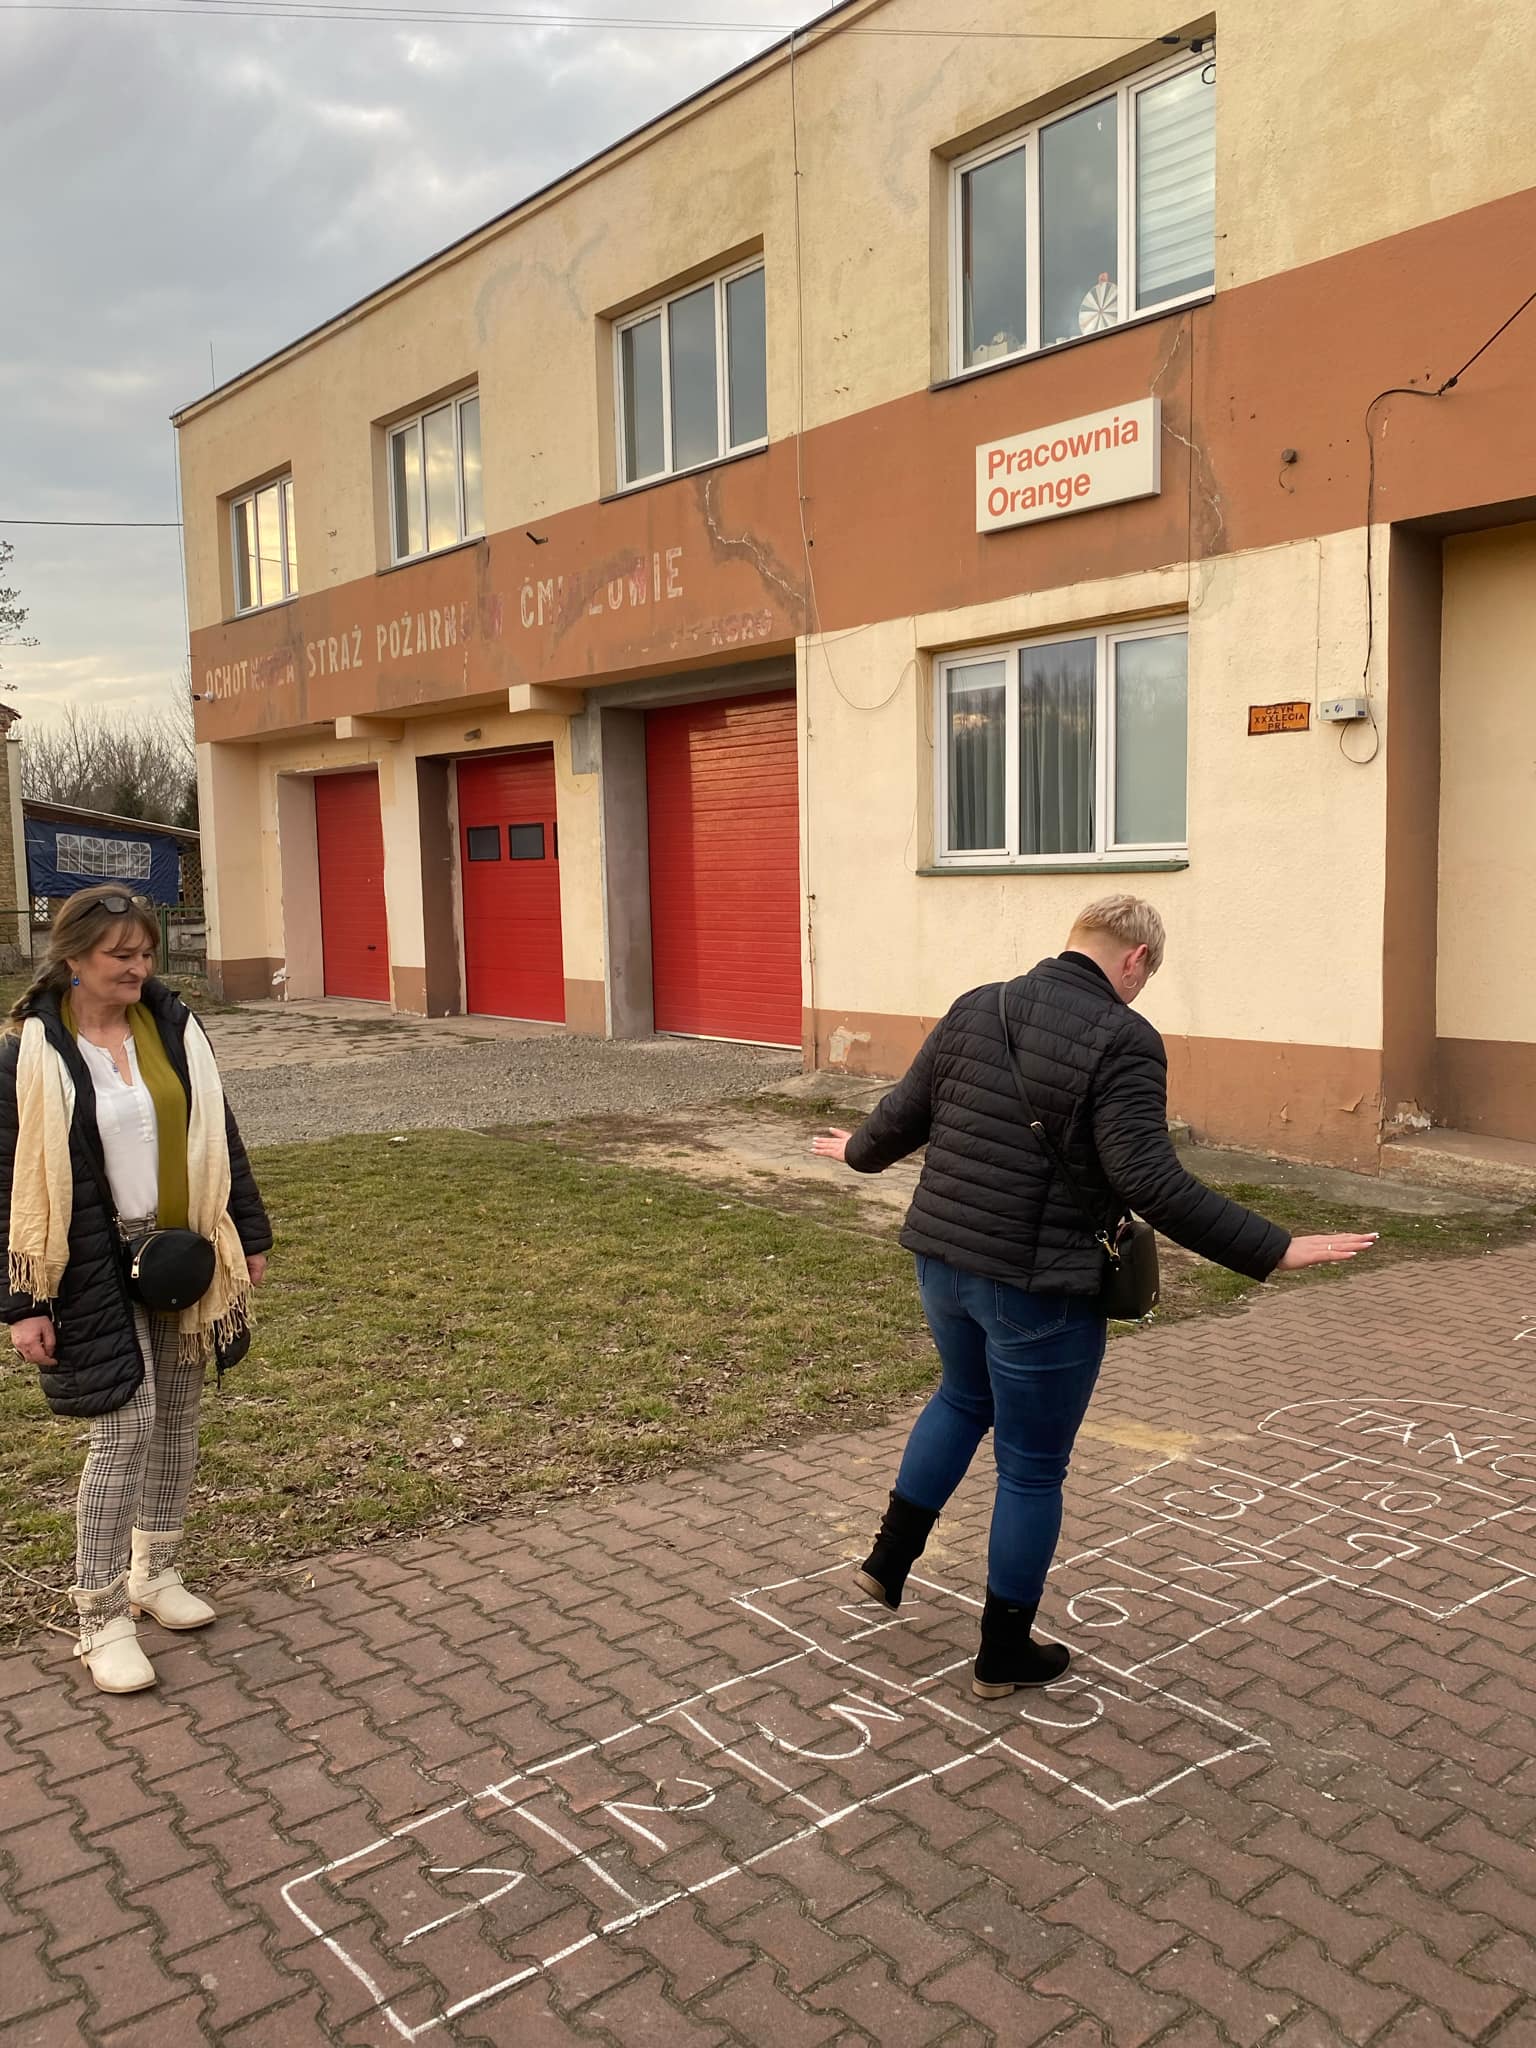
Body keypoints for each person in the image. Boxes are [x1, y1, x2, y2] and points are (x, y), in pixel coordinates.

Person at [812, 896, 1375, 1700]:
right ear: (1136, 960)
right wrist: (1272, 1247)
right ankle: (1002, 1654)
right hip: (1037, 1291)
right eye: (1148, 975)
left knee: (961, 1400)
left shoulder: (981, 1004)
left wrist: (857, 1153)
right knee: (1033, 1470)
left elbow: (903, 1116)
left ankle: (887, 1564)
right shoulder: (1125, 1038)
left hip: (943, 1265)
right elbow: (1149, 1178)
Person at [1, 886, 272, 1694]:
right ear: (73, 957)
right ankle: (98, 1615)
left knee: (178, 1416)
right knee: (126, 1426)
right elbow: (7, 1181)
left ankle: (156, 1573)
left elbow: (218, 1130)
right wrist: (22, 1302)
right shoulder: (28, 1052)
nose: (138, 968)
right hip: (85, 1263)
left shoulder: (173, 1027)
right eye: (121, 955)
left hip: (180, 1252)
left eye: (146, 953)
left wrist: (248, 1236)